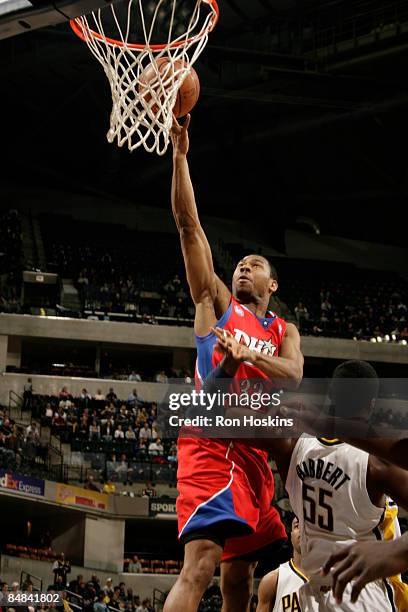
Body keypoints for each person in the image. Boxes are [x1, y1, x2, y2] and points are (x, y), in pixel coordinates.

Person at [164, 115, 303, 612]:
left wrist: (251, 357)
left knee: (239, 579)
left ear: (273, 285)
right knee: (200, 564)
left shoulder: (284, 331)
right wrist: (180, 157)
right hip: (213, 441)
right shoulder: (218, 302)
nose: (244, 266)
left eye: (255, 265)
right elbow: (188, 227)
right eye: (240, 263)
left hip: (253, 459)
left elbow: (294, 375)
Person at [233, 359, 408, 611]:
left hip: (314, 590)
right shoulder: (379, 463)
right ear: (371, 406)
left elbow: (218, 416)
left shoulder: (292, 444)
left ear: (330, 397)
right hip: (363, 590)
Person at [257, 517, 307, 612]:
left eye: (308, 526)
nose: (302, 530)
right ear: (291, 535)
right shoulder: (273, 580)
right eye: (297, 526)